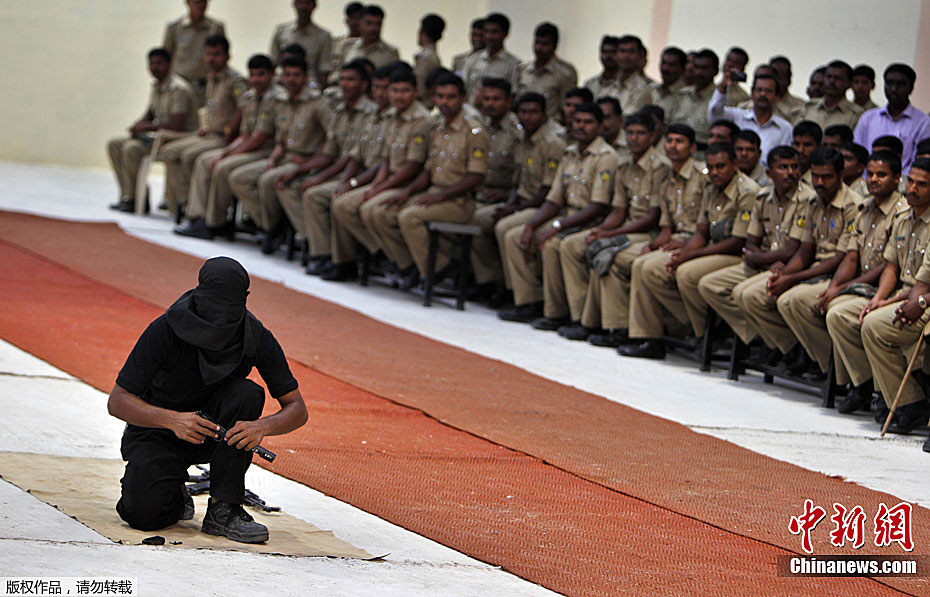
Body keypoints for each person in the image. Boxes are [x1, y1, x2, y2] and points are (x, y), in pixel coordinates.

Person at [108, 257, 308, 542]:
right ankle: (174, 492)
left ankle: (224, 508)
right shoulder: (165, 329)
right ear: (199, 293)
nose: (220, 319)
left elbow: (297, 408)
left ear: (244, 300)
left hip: (219, 435)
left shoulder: (255, 336)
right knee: (143, 515)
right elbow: (118, 401)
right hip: (161, 429)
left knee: (247, 393)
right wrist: (173, 421)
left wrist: (261, 427)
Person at [621, 142, 760, 359]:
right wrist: (684, 254)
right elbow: (701, 231)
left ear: (735, 165)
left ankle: (708, 332)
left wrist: (691, 255)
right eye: (711, 167)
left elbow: (737, 241)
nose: (714, 172)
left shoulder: (747, 191)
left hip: (737, 254)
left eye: (720, 166)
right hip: (712, 249)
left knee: (686, 273)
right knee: (647, 266)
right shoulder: (711, 187)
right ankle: (659, 335)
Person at [739, 147, 860, 376]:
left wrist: (792, 278)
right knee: (758, 293)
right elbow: (805, 251)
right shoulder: (814, 202)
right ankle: (799, 351)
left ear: (841, 176)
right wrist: (784, 275)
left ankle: (831, 366)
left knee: (792, 300)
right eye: (816, 176)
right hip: (814, 269)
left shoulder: (853, 206)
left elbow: (840, 258)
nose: (820, 182)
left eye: (827, 177)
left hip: (838, 273)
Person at [498, 103, 618, 327]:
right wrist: (532, 225)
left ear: (600, 126)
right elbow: (554, 199)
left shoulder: (606, 156)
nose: (581, 126)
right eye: (577, 121)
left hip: (591, 220)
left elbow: (598, 206)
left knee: (553, 244)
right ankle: (530, 301)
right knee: (515, 236)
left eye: (588, 122)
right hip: (567, 215)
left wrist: (558, 225)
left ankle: (567, 314)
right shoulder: (570, 153)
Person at [557, 113, 669, 342]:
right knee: (575, 244)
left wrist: (612, 233)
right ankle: (583, 318)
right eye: (630, 133)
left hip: (648, 233)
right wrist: (601, 230)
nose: (634, 138)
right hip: (627, 228)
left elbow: (652, 217)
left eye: (640, 133)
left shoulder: (660, 167)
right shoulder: (625, 165)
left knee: (607, 253)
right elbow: (618, 211)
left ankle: (615, 326)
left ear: (653, 136)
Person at [699, 145, 813, 354]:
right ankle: (762, 339)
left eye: (794, 167)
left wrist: (759, 258)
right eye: (783, 167)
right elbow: (750, 242)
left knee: (746, 294)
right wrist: (763, 260)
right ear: (769, 173)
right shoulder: (763, 197)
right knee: (710, 285)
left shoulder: (807, 199)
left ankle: (788, 347)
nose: (790, 172)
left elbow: (791, 250)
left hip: (788, 266)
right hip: (766, 262)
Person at [818, 151, 906, 409]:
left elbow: (889, 266)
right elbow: (852, 256)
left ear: (897, 178)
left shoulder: (901, 212)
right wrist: (835, 288)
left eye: (882, 175)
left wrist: (845, 288)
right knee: (832, 307)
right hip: (865, 284)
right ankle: (862, 382)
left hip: (889, 287)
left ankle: (872, 385)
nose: (874, 179)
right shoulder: (865, 209)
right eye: (871, 174)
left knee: (842, 314)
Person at [331, 67, 432, 288]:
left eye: (404, 91)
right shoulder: (393, 115)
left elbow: (413, 166)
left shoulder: (421, 120)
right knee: (343, 204)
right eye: (394, 91)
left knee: (372, 209)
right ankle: (382, 254)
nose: (398, 96)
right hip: (389, 181)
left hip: (408, 184)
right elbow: (386, 159)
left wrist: (380, 188)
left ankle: (405, 264)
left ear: (415, 92)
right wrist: (375, 186)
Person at [276, 59, 378, 273]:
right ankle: (317, 245)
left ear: (364, 84)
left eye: (351, 80)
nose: (345, 84)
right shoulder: (339, 111)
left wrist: (322, 178)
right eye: (342, 79)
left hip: (359, 174)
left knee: (316, 194)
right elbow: (328, 153)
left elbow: (352, 158)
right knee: (289, 184)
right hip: (338, 171)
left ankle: (334, 256)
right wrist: (300, 171)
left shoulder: (370, 113)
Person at [390, 73, 490, 284]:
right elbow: (428, 171)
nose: (444, 102)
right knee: (386, 210)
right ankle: (414, 265)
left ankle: (437, 268)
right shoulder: (437, 127)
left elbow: (476, 176)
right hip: (435, 193)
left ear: (463, 98)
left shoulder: (474, 131)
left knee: (409, 217)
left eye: (451, 97)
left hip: (459, 201)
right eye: (440, 96)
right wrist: (407, 192)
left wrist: (440, 196)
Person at [857, 158, 930, 436]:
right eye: (911, 181)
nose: (913, 189)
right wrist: (880, 298)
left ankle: (909, 401)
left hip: (922, 297)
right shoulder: (903, 218)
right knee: (869, 318)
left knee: (876, 325)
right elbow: (892, 266)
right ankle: (899, 399)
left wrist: (914, 303)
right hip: (910, 293)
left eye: (922, 184)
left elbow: (922, 286)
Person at [228, 57, 331, 254]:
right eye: (287, 75)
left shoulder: (318, 103)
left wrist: (311, 161)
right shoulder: (282, 102)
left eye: (296, 75)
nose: (291, 79)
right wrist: (273, 159)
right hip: (284, 157)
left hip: (306, 161)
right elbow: (281, 141)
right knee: (239, 177)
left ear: (305, 77)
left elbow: (332, 141)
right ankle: (270, 226)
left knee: (269, 181)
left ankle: (283, 233)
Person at [176, 55, 279, 240]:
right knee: (205, 160)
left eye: (261, 74)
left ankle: (215, 222)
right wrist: (225, 152)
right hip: (250, 147)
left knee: (223, 167)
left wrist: (228, 155)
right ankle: (198, 217)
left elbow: (259, 139)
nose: (256, 79)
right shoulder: (251, 97)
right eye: (252, 75)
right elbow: (245, 135)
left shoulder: (276, 98)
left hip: (267, 150)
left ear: (272, 74)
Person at [490, 93, 567, 310]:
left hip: (542, 205)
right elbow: (518, 183)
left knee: (507, 230)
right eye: (523, 112)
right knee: (497, 223)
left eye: (533, 112)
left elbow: (547, 190)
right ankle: (511, 289)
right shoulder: (522, 140)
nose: (528, 117)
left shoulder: (552, 144)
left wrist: (515, 209)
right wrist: (510, 206)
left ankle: (528, 296)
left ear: (544, 115)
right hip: (524, 202)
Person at [160, 35, 247, 217]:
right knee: (169, 152)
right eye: (208, 54)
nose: (211, 59)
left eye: (216, 54)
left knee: (190, 156)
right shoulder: (210, 78)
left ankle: (199, 211)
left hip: (224, 137)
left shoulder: (235, 81)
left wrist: (230, 130)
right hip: (209, 134)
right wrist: (206, 126)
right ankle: (187, 202)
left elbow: (244, 108)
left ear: (227, 56)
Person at [325, 65, 395, 281]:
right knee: (338, 196)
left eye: (385, 88)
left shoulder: (395, 119)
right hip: (365, 176)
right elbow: (355, 155)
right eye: (377, 87)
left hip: (381, 179)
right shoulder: (371, 115)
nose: (380, 93)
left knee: (344, 203)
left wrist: (353, 183)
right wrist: (345, 182)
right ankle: (341, 260)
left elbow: (382, 164)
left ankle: (381, 254)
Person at [107, 48, 197, 212]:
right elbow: (149, 115)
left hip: (176, 139)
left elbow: (177, 124)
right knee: (115, 144)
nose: (155, 67)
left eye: (159, 63)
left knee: (132, 149)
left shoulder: (179, 89)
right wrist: (137, 126)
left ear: (169, 65)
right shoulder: (157, 86)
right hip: (157, 138)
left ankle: (136, 199)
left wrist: (148, 127)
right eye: (152, 63)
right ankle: (129, 194)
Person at [466, 78, 521, 294]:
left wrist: (506, 195)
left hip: (508, 197)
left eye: (496, 99)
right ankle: (480, 278)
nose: (490, 104)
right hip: (480, 193)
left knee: (476, 219)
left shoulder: (518, 132)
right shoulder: (480, 127)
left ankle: (497, 283)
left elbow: (524, 177)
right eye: (486, 99)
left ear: (509, 101)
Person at [854, 63, 930, 171]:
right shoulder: (868, 118)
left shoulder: (923, 122)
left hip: (904, 180)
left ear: (911, 88)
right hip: (867, 179)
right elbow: (857, 155)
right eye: (889, 83)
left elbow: (920, 162)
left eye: (901, 84)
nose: (894, 89)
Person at [708, 71, 793, 162]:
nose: (763, 94)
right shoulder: (737, 116)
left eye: (768, 91)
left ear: (776, 97)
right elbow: (714, 115)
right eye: (759, 90)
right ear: (751, 94)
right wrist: (722, 88)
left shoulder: (785, 128)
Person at [162, 0, 225, 107]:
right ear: (188, 2)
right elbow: (165, 59)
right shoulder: (175, 28)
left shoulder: (215, 28)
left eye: (204, 1)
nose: (201, 5)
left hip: (207, 88)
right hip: (180, 88)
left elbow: (222, 58)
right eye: (197, 2)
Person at [517, 22, 578, 120]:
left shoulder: (565, 73)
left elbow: (566, 109)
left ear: (554, 46)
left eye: (545, 44)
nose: (539, 48)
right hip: (523, 124)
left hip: (550, 126)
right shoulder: (523, 69)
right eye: (537, 42)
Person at [460, 13, 521, 104]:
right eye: (486, 31)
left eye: (494, 32)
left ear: (505, 34)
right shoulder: (472, 60)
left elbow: (512, 95)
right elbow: (463, 90)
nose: (489, 36)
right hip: (471, 111)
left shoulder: (513, 64)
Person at [270, 0, 332, 88]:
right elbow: (273, 62)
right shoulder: (281, 31)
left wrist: (320, 91)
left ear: (314, 6)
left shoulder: (323, 36)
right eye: (301, 3)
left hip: (310, 85)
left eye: (308, 3)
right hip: (282, 84)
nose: (304, 7)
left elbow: (324, 69)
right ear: (295, 4)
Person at [669, 48, 719, 149]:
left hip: (702, 153)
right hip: (674, 150)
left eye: (704, 68)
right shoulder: (682, 95)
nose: (699, 72)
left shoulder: (719, 99)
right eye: (696, 67)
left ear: (715, 71)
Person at [799, 60, 863, 131]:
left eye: (838, 78)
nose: (831, 81)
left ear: (849, 84)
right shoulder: (809, 107)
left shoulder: (856, 114)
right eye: (828, 77)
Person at [602, 35, 653, 115]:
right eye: (622, 51)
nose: (626, 56)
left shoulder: (642, 89)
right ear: (616, 55)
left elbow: (629, 119)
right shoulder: (610, 84)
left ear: (639, 56)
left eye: (631, 51)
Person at [342, 5, 400, 69]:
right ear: (360, 24)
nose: (373, 28)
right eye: (369, 23)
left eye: (378, 24)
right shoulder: (348, 47)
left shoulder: (390, 53)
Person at [414, 14, 445, 106]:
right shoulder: (433, 56)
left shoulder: (426, 57)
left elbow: (419, 88)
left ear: (422, 31)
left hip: (421, 105)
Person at [650, 46, 687, 119]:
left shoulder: (685, 96)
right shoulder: (651, 89)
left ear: (682, 69)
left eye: (671, 65)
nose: (665, 68)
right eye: (663, 63)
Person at [767, 55, 806, 123]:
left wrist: (778, 103)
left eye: (778, 77)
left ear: (788, 81)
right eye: (771, 76)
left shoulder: (800, 106)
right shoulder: (755, 103)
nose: (773, 81)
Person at [329, 2, 364, 75]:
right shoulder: (336, 42)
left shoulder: (366, 44)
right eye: (352, 18)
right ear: (347, 20)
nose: (355, 22)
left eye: (358, 18)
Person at [792, 120, 822, 187]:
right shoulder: (783, 176)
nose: (800, 150)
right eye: (796, 144)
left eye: (807, 145)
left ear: (819, 146)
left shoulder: (821, 181)